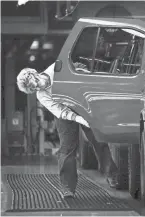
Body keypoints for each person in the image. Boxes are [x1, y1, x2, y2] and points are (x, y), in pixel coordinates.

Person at [16, 63, 115, 197]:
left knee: (97, 139)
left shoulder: (57, 68)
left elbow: (78, 67)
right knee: (67, 148)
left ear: (36, 74)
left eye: (38, 84)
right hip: (64, 115)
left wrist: (84, 73)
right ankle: (67, 188)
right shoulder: (41, 95)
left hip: (82, 105)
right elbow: (61, 111)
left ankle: (112, 175)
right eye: (35, 89)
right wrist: (79, 119)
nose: (40, 88)